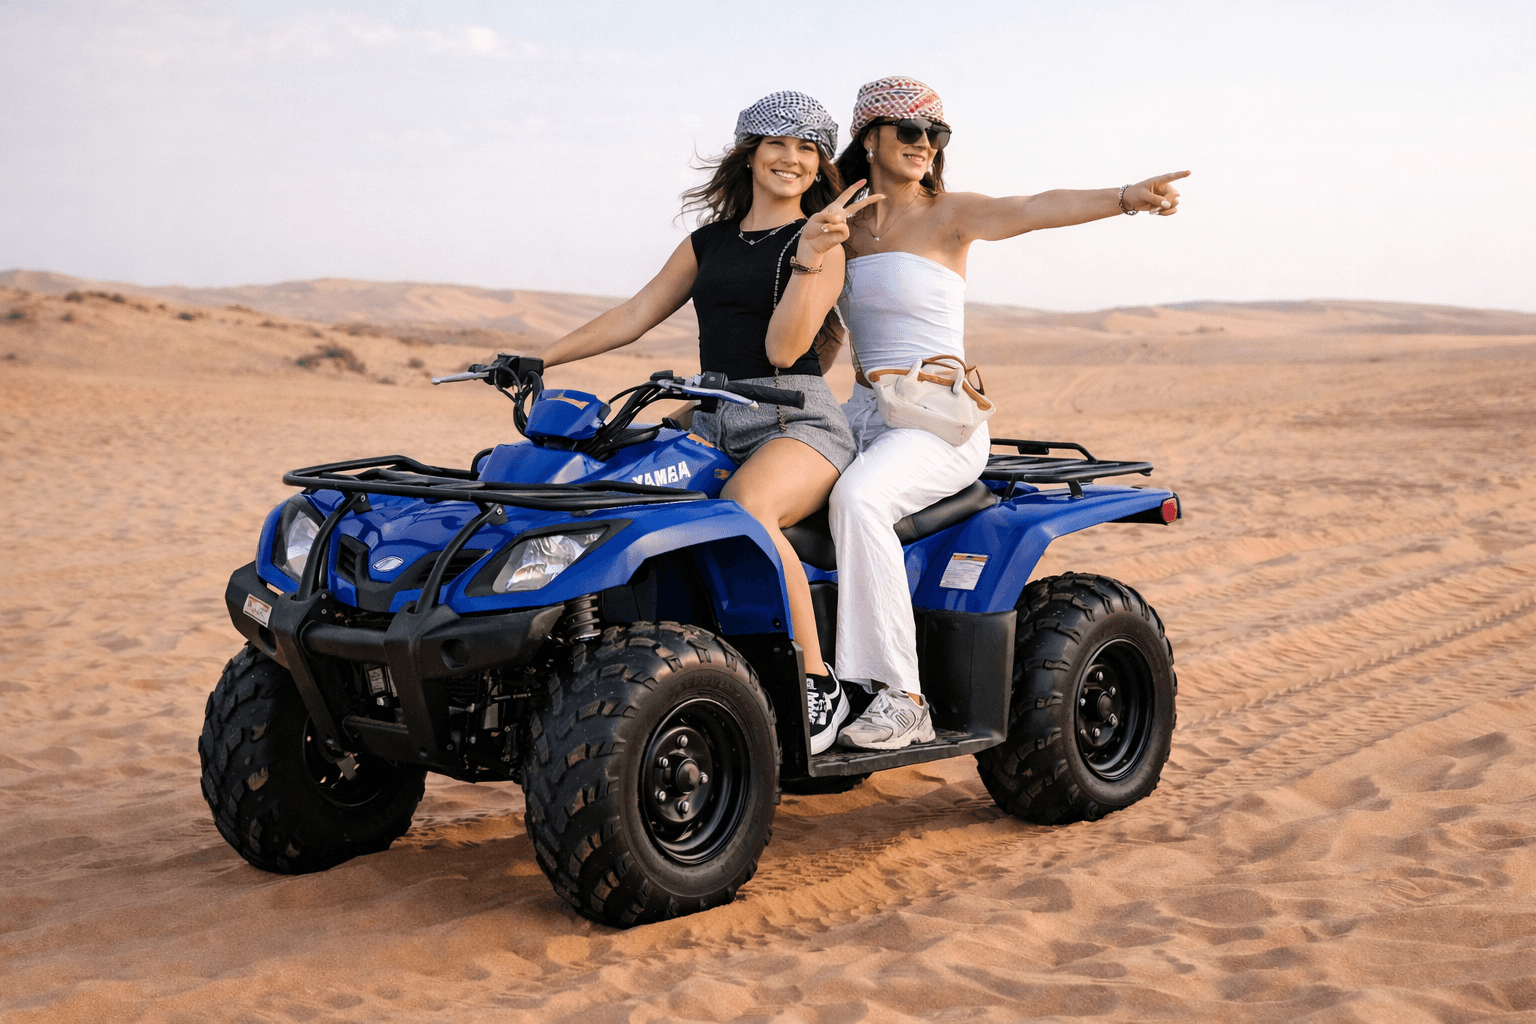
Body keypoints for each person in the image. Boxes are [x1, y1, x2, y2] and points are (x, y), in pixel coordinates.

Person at [828, 76, 1188, 750]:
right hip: (864, 415)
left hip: (938, 420)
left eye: (936, 134)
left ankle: (903, 697)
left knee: (859, 501)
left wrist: (1122, 199)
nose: (924, 144)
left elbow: (1033, 206)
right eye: (909, 131)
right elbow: (816, 333)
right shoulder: (842, 225)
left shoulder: (950, 214)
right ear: (868, 137)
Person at [538, 91, 881, 754]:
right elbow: (635, 314)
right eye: (778, 143)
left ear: (818, 167)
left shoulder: (823, 242)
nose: (792, 158)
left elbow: (785, 351)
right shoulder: (709, 243)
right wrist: (538, 358)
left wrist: (808, 252)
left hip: (797, 417)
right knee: (610, 489)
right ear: (749, 152)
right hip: (712, 411)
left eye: (808, 148)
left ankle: (817, 681)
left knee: (747, 507)